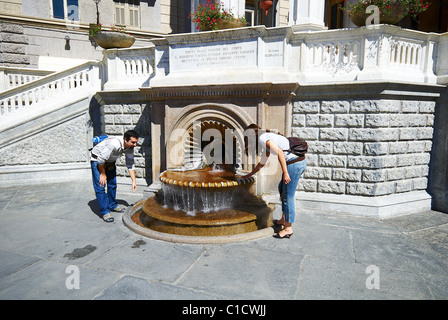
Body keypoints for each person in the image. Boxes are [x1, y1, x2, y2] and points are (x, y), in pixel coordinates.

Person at [242, 124, 306, 238]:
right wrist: (250, 174)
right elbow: (262, 162)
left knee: (288, 196)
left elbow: (280, 153)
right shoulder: (265, 138)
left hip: (294, 164)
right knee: (282, 189)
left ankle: (288, 228)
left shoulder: (263, 139)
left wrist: (285, 173)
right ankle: (283, 219)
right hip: (297, 162)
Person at [90, 130, 139, 222]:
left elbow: (130, 165)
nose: (135, 145)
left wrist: (134, 181)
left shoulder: (130, 148)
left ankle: (112, 204)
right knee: (100, 186)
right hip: (97, 160)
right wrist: (103, 174)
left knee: (112, 183)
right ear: (125, 140)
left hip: (110, 161)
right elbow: (100, 160)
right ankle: (105, 212)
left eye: (136, 142)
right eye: (133, 142)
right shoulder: (114, 144)